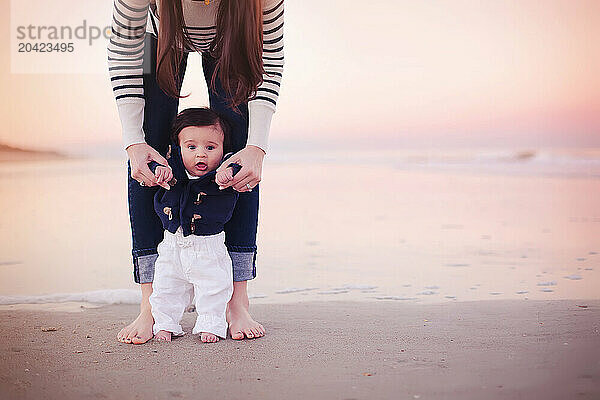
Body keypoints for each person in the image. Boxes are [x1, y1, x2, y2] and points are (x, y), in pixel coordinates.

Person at [106, 0, 284, 344]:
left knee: (237, 155)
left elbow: (270, 61)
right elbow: (126, 53)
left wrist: (256, 148)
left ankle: (236, 299)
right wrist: (133, 144)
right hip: (159, 36)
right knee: (150, 151)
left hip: (234, 36)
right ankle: (150, 303)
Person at [148, 107, 242, 343]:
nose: (201, 155)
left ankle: (211, 324)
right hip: (172, 244)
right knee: (166, 286)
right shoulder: (171, 169)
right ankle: (165, 323)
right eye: (191, 147)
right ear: (179, 149)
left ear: (223, 149)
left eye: (210, 148)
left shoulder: (225, 171)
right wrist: (159, 170)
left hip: (208, 246)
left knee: (214, 287)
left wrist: (229, 172)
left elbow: (237, 166)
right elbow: (154, 168)